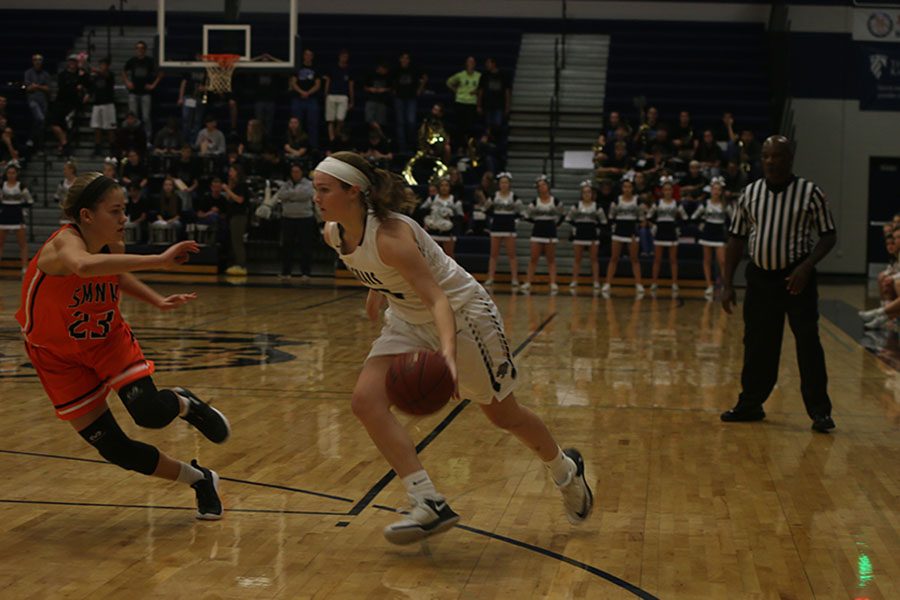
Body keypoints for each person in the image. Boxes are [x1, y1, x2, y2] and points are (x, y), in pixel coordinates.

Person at [313, 151, 593, 544]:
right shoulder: (334, 233)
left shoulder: (392, 237)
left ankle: (565, 470)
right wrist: (377, 292)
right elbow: (379, 272)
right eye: (315, 189)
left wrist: (447, 356)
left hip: (462, 316)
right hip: (408, 318)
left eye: (324, 189)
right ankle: (427, 501)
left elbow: (438, 300)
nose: (316, 196)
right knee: (365, 401)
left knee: (503, 416)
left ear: (353, 191)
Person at [14, 172, 228, 519]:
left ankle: (186, 404)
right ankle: (201, 479)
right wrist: (159, 260)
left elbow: (114, 273)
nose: (123, 218)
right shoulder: (63, 245)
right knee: (115, 449)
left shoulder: (114, 244)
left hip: (105, 340)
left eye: (123, 210)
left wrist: (155, 300)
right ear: (87, 216)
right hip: (56, 357)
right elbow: (84, 267)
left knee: (150, 413)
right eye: (115, 211)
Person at [721, 135, 837, 433]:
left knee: (808, 345)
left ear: (790, 158)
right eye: (767, 157)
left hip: (796, 279)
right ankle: (751, 403)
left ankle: (820, 412)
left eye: (778, 156)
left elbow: (828, 235)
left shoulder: (810, 193)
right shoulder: (750, 193)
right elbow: (736, 239)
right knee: (758, 344)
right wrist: (727, 282)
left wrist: (807, 266)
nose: (771, 162)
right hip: (760, 279)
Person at [265, 163, 317, 280]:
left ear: (301, 172)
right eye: (293, 171)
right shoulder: (285, 184)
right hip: (288, 218)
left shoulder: (309, 184)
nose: (295, 174)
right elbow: (281, 195)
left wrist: (290, 196)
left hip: (305, 218)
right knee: (287, 246)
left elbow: (306, 195)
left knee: (305, 246)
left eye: (297, 171)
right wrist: (294, 196)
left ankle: (306, 272)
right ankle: (286, 272)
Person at [602, 176, 646, 297]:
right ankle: (607, 283)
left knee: (634, 259)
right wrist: (613, 228)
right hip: (618, 232)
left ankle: (638, 283)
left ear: (632, 188)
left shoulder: (638, 201)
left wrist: (637, 227)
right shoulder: (616, 200)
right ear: (622, 188)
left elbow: (641, 219)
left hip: (632, 232)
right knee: (614, 258)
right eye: (625, 187)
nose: (627, 189)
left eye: (629, 187)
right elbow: (611, 217)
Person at [521, 176, 565, 294]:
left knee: (551, 259)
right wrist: (536, 222)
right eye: (539, 186)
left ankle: (553, 282)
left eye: (543, 185)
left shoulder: (555, 201)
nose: (542, 187)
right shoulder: (535, 202)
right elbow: (526, 215)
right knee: (533, 258)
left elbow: (563, 214)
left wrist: (556, 225)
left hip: (550, 231)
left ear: (548, 186)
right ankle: (528, 282)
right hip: (537, 231)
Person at [647, 176, 689, 296]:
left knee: (673, 260)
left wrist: (677, 227)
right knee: (657, 260)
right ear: (662, 191)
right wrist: (654, 225)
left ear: (672, 191)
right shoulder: (657, 203)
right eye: (665, 190)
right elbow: (649, 216)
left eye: (669, 190)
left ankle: (674, 283)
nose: (667, 192)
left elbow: (685, 218)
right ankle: (654, 282)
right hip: (660, 232)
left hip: (671, 232)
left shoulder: (677, 203)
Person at [692, 176, 730, 299]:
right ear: (711, 190)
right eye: (714, 189)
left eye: (719, 189)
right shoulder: (705, 204)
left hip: (719, 234)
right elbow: (694, 216)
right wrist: (701, 224)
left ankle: (725, 285)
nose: (716, 192)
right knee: (707, 261)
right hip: (707, 233)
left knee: (723, 262)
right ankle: (709, 285)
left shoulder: (725, 205)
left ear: (721, 191)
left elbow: (733, 219)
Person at [567, 180, 607, 291]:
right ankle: (574, 280)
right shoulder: (576, 206)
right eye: (584, 192)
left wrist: (596, 229)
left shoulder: (597, 206)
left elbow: (604, 221)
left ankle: (596, 281)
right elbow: (569, 218)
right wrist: (576, 228)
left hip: (592, 235)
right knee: (577, 259)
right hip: (579, 235)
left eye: (589, 192)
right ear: (581, 194)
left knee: (594, 259)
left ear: (592, 194)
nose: (587, 194)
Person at [485, 172, 522, 287]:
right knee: (493, 254)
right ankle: (490, 277)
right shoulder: (493, 196)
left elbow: (520, 212)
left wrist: (515, 221)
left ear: (509, 184)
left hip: (509, 227)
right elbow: (486, 209)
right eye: (502, 182)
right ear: (499, 184)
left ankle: (515, 278)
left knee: (512, 254)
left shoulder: (514, 197)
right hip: (496, 227)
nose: (504, 185)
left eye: (506, 182)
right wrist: (492, 219)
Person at [122, 41, 162, 139]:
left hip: (145, 93)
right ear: (135, 50)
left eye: (142, 48)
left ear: (145, 50)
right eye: (138, 48)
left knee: (146, 117)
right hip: (133, 92)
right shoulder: (132, 61)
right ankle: (133, 137)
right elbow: (123, 71)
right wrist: (127, 82)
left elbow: (161, 73)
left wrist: (153, 85)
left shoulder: (150, 61)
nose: (140, 50)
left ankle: (147, 138)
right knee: (132, 117)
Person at [0, 164, 34, 272]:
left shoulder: (21, 186)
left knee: (22, 243)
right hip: (4, 216)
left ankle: (24, 268)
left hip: (17, 216)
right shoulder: (2, 185)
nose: (11, 175)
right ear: (6, 174)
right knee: (0, 243)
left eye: (13, 173)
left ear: (17, 174)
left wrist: (22, 208)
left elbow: (30, 201)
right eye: (9, 173)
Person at [392, 52, 427, 154]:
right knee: (400, 123)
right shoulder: (397, 69)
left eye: (407, 58)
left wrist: (420, 89)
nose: (405, 60)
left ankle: (411, 145)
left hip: (411, 98)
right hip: (399, 98)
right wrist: (394, 90)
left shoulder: (414, 69)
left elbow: (424, 77)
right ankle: (402, 147)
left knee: (411, 122)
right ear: (400, 59)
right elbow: (391, 80)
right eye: (403, 58)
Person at [420, 178, 463, 258]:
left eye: (446, 185)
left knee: (449, 256)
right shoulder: (432, 199)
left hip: (448, 231)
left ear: (450, 187)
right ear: (438, 187)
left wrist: (451, 217)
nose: (444, 188)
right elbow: (422, 211)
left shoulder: (455, 200)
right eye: (442, 185)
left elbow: (460, 216)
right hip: (433, 230)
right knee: (432, 255)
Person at [446, 56, 480, 153]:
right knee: (460, 127)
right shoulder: (461, 75)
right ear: (466, 64)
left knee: (470, 127)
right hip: (460, 102)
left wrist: (477, 92)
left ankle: (469, 148)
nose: (471, 64)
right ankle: (460, 147)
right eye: (469, 62)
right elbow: (449, 82)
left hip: (472, 103)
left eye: (472, 62)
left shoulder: (478, 76)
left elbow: (482, 87)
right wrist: (456, 91)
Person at [289, 49, 322, 151]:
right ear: (303, 56)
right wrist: (301, 92)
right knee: (297, 124)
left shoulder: (316, 68)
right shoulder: (298, 67)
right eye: (306, 54)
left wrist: (308, 93)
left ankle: (313, 147)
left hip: (311, 99)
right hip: (298, 98)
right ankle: (297, 145)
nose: (308, 56)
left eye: (310, 55)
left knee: (313, 123)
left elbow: (318, 84)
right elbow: (293, 82)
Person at [223, 165, 249, 276]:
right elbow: (229, 199)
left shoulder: (242, 185)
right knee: (234, 241)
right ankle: (237, 263)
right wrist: (229, 187)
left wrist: (228, 190)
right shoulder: (234, 185)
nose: (230, 172)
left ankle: (241, 265)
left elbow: (239, 200)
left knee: (238, 241)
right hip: (233, 216)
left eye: (232, 170)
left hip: (239, 216)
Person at [324, 50, 354, 144]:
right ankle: (331, 139)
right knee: (330, 119)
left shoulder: (349, 70)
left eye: (346, 56)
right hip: (332, 95)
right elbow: (328, 82)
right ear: (339, 57)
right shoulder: (332, 68)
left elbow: (351, 86)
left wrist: (351, 100)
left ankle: (336, 136)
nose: (344, 58)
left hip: (343, 96)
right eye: (343, 56)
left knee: (340, 119)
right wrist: (326, 94)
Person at [90, 57, 117, 157]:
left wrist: (96, 70)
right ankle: (97, 147)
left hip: (108, 104)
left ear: (107, 66)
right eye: (100, 64)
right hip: (97, 104)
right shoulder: (96, 77)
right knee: (97, 127)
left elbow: (106, 75)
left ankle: (112, 147)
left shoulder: (110, 75)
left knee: (110, 127)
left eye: (103, 64)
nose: (101, 66)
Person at [25, 54, 52, 151]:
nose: (37, 62)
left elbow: (48, 89)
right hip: (33, 100)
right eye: (35, 60)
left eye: (39, 60)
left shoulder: (46, 74)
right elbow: (28, 88)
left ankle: (37, 145)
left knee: (41, 123)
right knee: (40, 119)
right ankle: (32, 139)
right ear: (32, 61)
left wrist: (37, 86)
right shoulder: (28, 73)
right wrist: (40, 87)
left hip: (43, 101)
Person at [363, 62, 391, 137]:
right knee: (370, 120)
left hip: (382, 102)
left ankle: (380, 140)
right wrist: (371, 89)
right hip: (371, 100)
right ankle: (383, 137)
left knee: (381, 122)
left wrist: (383, 90)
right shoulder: (371, 75)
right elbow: (364, 87)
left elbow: (392, 88)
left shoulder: (388, 77)